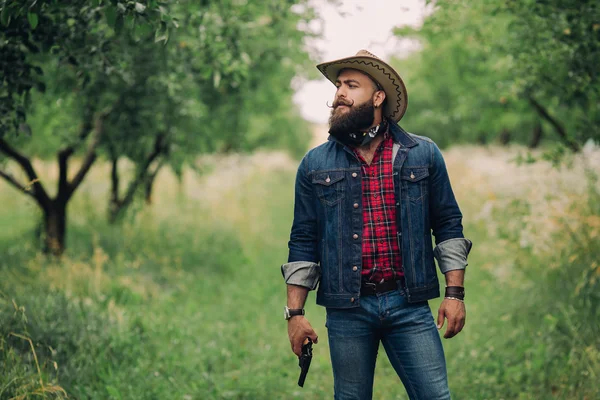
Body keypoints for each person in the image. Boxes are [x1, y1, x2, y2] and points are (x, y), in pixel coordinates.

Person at [281, 50, 473, 400]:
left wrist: (454, 293)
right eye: (339, 85)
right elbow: (303, 240)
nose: (340, 93)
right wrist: (295, 313)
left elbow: (447, 224)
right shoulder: (314, 164)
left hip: (409, 305)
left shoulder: (423, 154)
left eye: (351, 85)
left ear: (378, 96)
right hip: (348, 310)